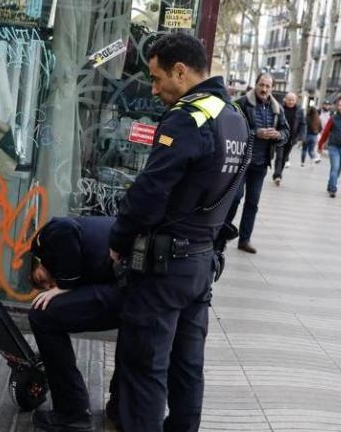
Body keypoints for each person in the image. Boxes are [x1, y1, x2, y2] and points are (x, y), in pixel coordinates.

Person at [108, 33, 250, 432]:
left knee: (146, 367)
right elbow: (235, 192)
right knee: (188, 368)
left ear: (181, 71)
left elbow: (151, 190)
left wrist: (119, 240)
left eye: (157, 79)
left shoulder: (188, 116)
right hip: (201, 262)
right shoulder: (233, 114)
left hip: (164, 266)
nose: (154, 90)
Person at [28, 216, 122, 432]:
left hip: (128, 285)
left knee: (41, 315)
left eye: (41, 280)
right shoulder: (83, 251)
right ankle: (120, 409)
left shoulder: (44, 239)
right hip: (141, 285)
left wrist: (64, 284)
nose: (48, 286)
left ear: (37, 260)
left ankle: (72, 412)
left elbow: (65, 227)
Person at [225, 73, 289, 254]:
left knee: (252, 202)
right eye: (262, 85)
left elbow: (285, 131)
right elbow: (231, 128)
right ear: (256, 85)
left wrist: (278, 136)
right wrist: (255, 133)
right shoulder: (241, 103)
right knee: (235, 198)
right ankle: (221, 233)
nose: (264, 89)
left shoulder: (277, 108)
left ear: (272, 88)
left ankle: (244, 240)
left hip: (261, 163)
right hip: (240, 161)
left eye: (268, 86)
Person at [272, 92, 304, 185]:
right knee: (279, 156)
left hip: (292, 138)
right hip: (280, 136)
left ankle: (278, 174)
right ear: (285, 100)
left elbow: (303, 124)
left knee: (284, 157)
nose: (290, 102)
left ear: (295, 101)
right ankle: (277, 175)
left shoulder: (299, 110)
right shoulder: (280, 108)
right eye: (289, 100)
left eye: (292, 100)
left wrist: (301, 137)